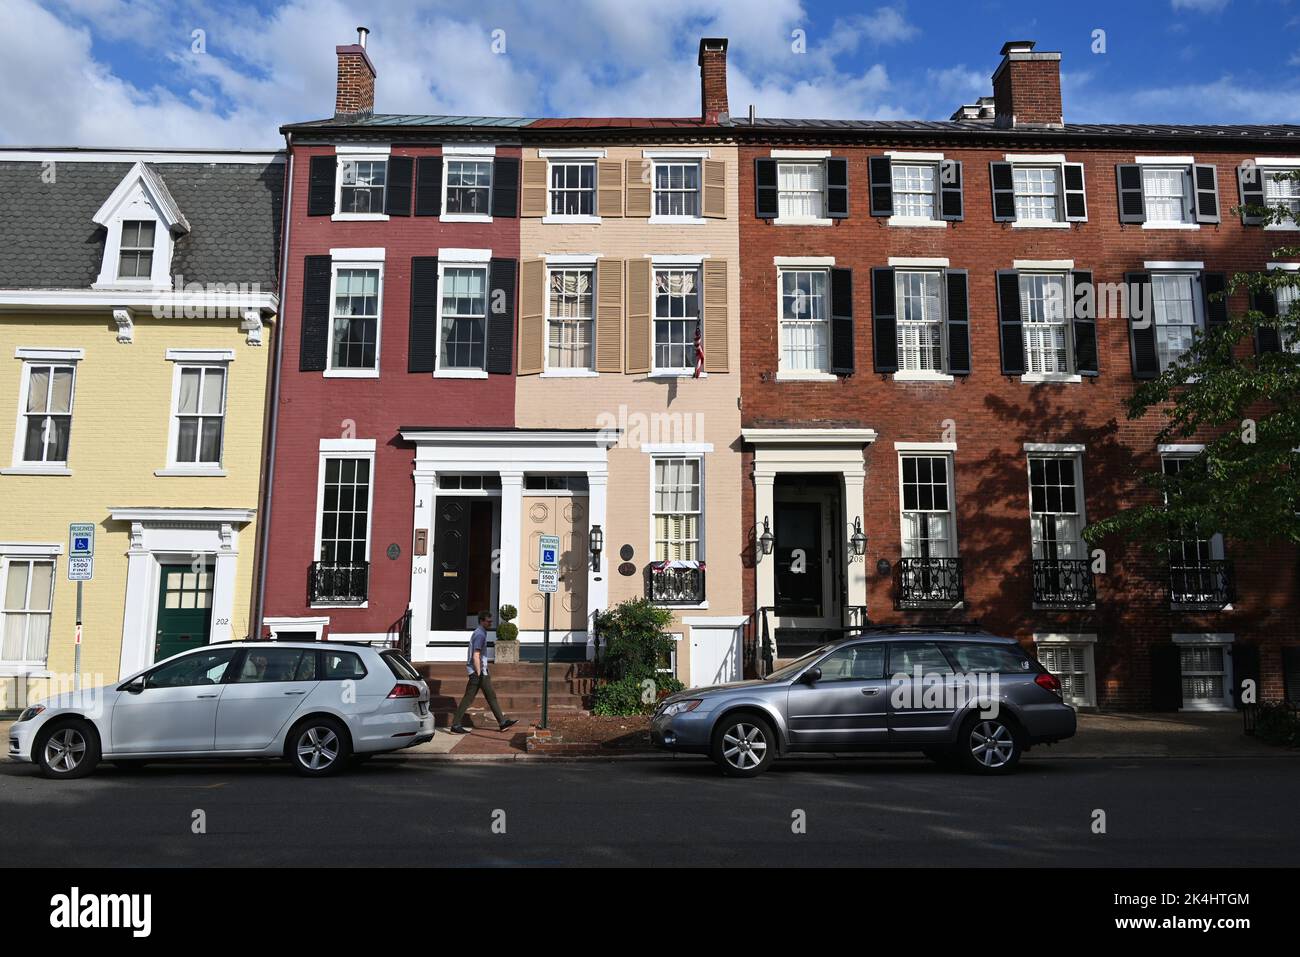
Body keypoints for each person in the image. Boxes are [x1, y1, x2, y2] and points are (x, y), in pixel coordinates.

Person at [448, 611, 518, 734]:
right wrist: (480, 673)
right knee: (470, 698)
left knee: (489, 697)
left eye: (491, 621)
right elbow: (476, 655)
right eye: (488, 621)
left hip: (479, 671)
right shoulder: (480, 635)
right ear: (481, 621)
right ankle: (455, 724)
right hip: (478, 672)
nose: (490, 623)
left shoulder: (480, 633)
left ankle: (502, 722)